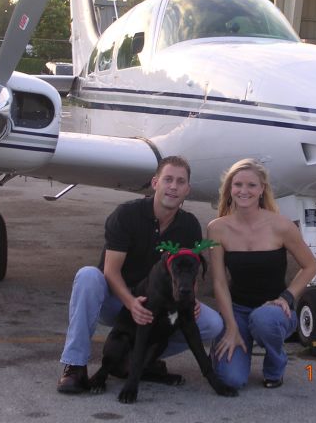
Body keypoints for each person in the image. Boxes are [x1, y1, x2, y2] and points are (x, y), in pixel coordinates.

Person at [57, 155, 223, 393]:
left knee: (212, 324)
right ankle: (75, 365)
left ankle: (142, 359)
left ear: (188, 189)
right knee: (88, 276)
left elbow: (190, 268)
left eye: (180, 182)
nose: (173, 187)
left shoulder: (189, 225)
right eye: (168, 179)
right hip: (118, 301)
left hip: (159, 304)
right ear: (155, 183)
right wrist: (132, 304)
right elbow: (111, 271)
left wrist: (192, 298)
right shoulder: (127, 214)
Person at [207, 158, 316, 389]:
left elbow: (310, 266)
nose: (243, 191)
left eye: (251, 185)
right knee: (230, 381)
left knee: (263, 319)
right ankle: (228, 350)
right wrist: (230, 328)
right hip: (237, 310)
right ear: (230, 189)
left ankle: (275, 363)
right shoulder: (216, 228)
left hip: (275, 311)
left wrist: (287, 298)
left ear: (262, 190)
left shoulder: (282, 226)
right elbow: (219, 282)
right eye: (237, 185)